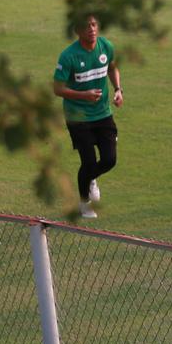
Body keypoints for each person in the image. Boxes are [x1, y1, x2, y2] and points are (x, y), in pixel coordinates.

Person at [53, 14, 123, 219]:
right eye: (86, 26)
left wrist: (118, 89)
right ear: (78, 31)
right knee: (89, 161)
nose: (92, 29)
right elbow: (58, 89)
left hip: (103, 113)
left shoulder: (106, 46)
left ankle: (91, 178)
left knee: (110, 160)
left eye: (94, 24)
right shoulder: (68, 56)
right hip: (78, 117)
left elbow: (112, 67)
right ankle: (84, 203)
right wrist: (83, 95)